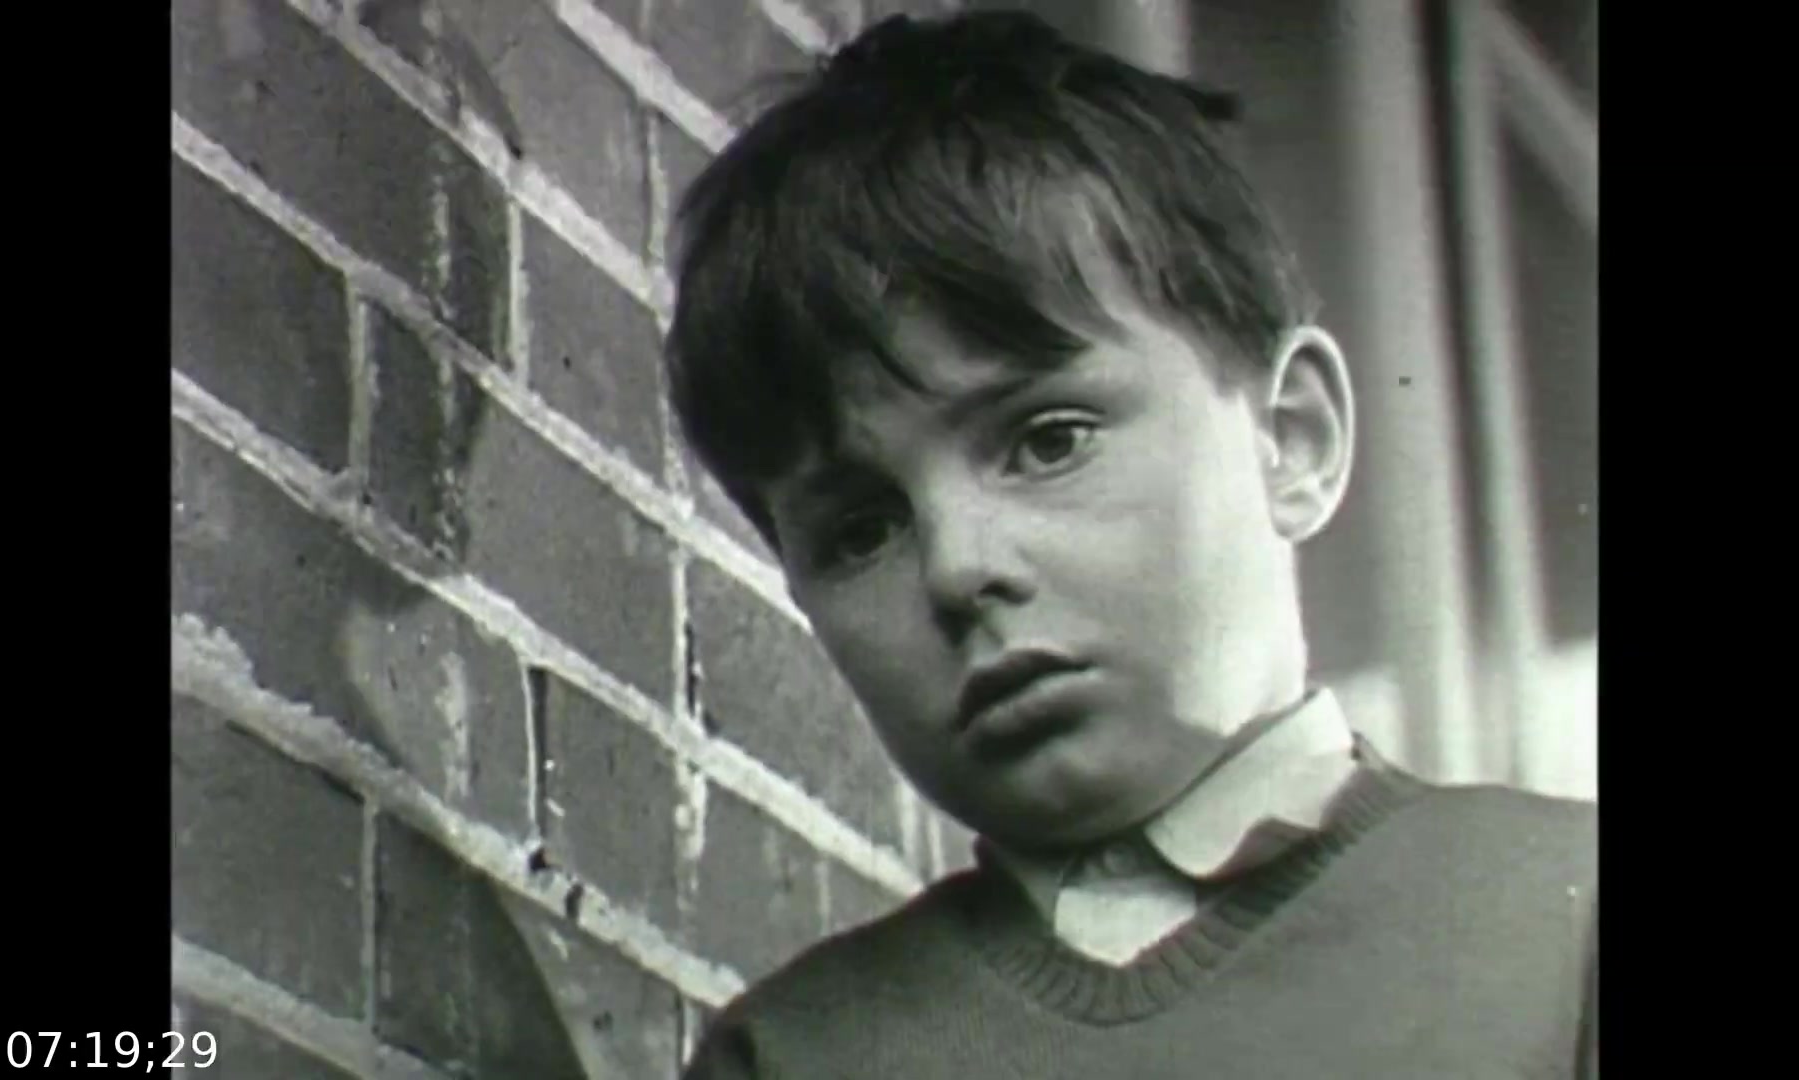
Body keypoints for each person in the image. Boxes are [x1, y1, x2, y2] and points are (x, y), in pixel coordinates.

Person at [661, 10, 1597, 1077]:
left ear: (1292, 439)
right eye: (861, 529)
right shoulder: (796, 1055)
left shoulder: (1561, 924)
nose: (960, 567)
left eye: (1048, 440)